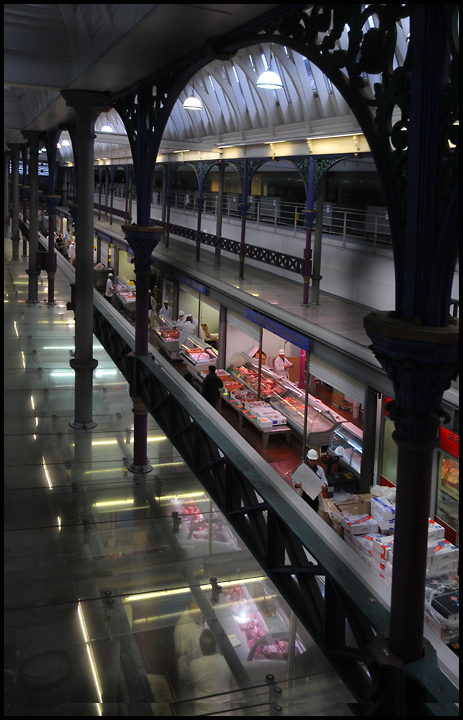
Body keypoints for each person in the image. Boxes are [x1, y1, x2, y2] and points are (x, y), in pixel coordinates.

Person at [177, 628, 233, 716]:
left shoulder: (194, 665)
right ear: (215, 645)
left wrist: (182, 658)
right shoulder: (227, 662)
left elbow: (183, 675)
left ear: (200, 647)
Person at [294, 449, 328, 514]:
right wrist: (297, 485)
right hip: (304, 496)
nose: (312, 462)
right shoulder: (302, 468)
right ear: (307, 459)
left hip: (314, 498)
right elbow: (295, 480)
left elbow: (324, 480)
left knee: (313, 514)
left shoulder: (320, 470)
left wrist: (325, 486)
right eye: (311, 460)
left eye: (314, 460)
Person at [174, 596, 203, 660]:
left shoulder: (200, 617)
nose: (198, 613)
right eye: (195, 611)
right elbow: (182, 663)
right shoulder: (182, 629)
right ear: (189, 606)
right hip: (195, 668)